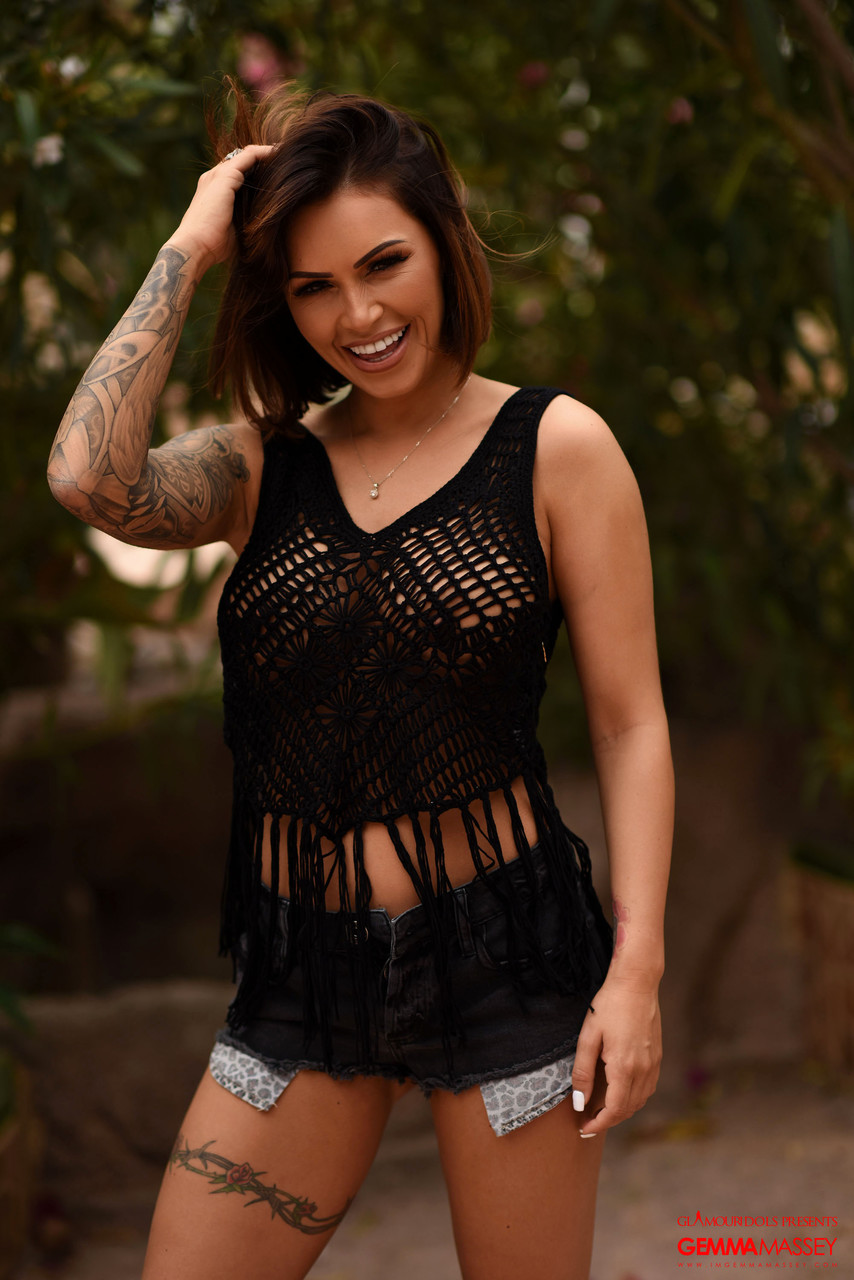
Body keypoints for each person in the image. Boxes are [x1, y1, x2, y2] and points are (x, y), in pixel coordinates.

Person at [47, 81, 673, 1280]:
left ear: (444, 241)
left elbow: (628, 721)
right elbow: (87, 478)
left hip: (505, 951)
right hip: (303, 968)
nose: (360, 313)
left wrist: (635, 967)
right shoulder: (262, 468)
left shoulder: (555, 448)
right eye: (314, 286)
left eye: (384, 263)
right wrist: (192, 242)